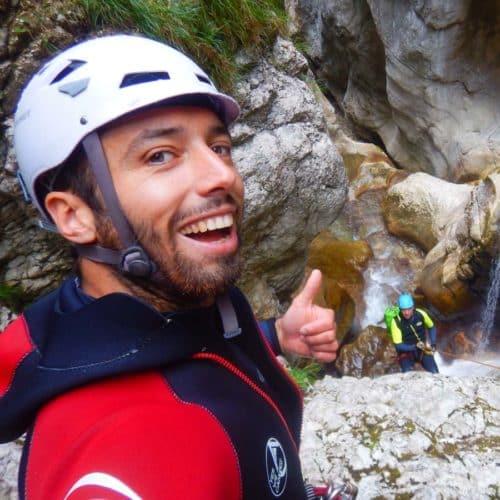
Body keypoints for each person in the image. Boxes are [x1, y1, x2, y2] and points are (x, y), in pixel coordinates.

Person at [0, 34, 342, 499]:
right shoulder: (132, 447)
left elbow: (193, 347)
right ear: (74, 216)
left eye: (219, 147)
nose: (223, 175)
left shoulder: (115, 315)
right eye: (160, 156)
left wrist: (277, 335)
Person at [388, 293, 439, 374]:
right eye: (404, 310)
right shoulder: (396, 322)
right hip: (406, 353)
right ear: (400, 309)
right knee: (408, 376)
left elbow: (431, 327)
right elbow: (398, 345)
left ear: (413, 307)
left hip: (422, 350)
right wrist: (414, 347)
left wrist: (433, 342)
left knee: (435, 373)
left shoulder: (421, 314)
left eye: (409, 309)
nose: (407, 313)